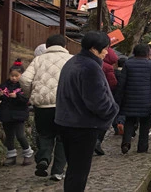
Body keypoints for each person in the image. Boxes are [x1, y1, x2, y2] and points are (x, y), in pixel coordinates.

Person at [55, 31, 119, 192]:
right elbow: (97, 101)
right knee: (79, 171)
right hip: (83, 125)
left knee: (73, 169)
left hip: (66, 122)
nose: (106, 52)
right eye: (104, 49)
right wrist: (112, 110)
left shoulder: (73, 61)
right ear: (94, 49)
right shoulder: (90, 67)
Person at [20, 34, 72, 180]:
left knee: (45, 134)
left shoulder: (39, 59)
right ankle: (57, 171)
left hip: (42, 106)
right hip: (65, 105)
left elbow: (24, 79)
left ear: (47, 46)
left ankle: (43, 158)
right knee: (63, 138)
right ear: (65, 46)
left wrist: (30, 94)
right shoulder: (71, 60)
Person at [115, 44, 151, 154]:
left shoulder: (128, 63)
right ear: (147, 53)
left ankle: (126, 142)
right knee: (145, 124)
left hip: (130, 98)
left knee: (129, 121)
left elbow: (122, 82)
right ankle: (142, 147)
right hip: (146, 99)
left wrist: (118, 97)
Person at [0, 67, 34, 166]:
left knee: (20, 135)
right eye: (12, 75)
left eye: (16, 76)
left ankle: (27, 153)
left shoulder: (23, 86)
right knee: (9, 136)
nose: (13, 78)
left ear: (21, 75)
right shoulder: (4, 85)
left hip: (19, 114)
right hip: (6, 114)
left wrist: (17, 96)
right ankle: (11, 156)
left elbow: (27, 100)